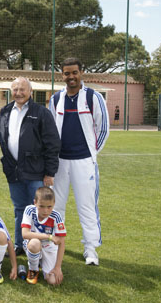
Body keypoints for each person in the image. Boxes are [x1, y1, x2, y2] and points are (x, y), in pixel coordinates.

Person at [0, 77, 61, 255]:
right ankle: (20, 244)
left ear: (30, 91)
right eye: (15, 90)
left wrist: (50, 172)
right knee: (20, 209)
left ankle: (43, 247)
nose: (19, 93)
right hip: (13, 172)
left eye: (22, 89)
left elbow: (52, 143)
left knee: (40, 210)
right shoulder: (5, 111)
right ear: (11, 91)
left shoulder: (41, 112)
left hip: (36, 172)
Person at [49, 57, 109, 266]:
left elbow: (103, 129)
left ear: (81, 72)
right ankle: (56, 243)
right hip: (60, 162)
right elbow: (50, 131)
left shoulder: (93, 97)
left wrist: (91, 153)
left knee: (87, 206)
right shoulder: (56, 99)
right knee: (56, 206)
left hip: (84, 162)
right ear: (62, 75)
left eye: (74, 72)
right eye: (67, 73)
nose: (71, 77)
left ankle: (90, 249)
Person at [21, 186, 66, 286]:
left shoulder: (56, 216)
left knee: (53, 281)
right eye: (41, 206)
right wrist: (49, 236)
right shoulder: (29, 210)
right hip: (32, 243)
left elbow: (61, 243)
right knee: (34, 243)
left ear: (54, 204)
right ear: (35, 202)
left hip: (49, 247)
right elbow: (25, 234)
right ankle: (33, 270)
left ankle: (41, 262)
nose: (45, 210)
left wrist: (58, 267)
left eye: (49, 206)